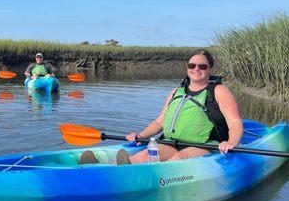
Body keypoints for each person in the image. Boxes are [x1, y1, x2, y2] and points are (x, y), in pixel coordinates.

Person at [80, 49, 243, 165]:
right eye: (192, 65)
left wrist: (231, 142)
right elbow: (160, 122)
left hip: (204, 146)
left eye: (202, 66)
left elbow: (234, 122)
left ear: (210, 68)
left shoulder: (219, 91)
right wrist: (140, 135)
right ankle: (100, 168)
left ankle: (147, 182)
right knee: (143, 156)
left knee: (179, 160)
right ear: (187, 67)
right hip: (172, 142)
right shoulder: (176, 92)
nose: (196, 69)